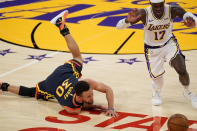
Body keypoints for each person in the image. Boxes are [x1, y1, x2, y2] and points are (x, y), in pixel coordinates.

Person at [0, 10, 117, 117]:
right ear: (79, 96)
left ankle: (62, 26)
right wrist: (94, 106)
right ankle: (3, 86)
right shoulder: (72, 109)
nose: (92, 97)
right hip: (52, 84)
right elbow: (84, 106)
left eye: (91, 94)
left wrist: (110, 107)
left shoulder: (86, 83)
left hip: (63, 74)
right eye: (89, 96)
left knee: (78, 58)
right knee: (31, 92)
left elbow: (108, 89)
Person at [116, 0, 197, 108]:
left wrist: (193, 22)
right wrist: (126, 21)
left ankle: (188, 92)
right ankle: (157, 92)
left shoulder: (172, 10)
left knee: (181, 68)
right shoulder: (143, 13)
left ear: (164, 2)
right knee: (157, 78)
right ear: (150, 4)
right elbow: (118, 26)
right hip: (152, 49)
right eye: (155, 6)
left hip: (169, 44)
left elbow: (188, 15)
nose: (158, 8)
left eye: (160, 5)